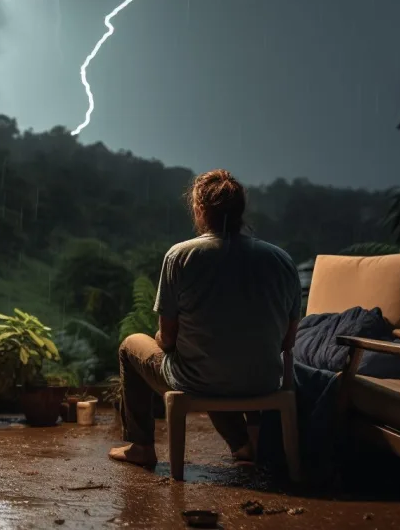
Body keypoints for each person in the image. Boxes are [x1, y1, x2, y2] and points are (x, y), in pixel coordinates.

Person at [108, 169, 302, 468]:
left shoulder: (181, 256)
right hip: (264, 380)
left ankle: (140, 445)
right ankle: (244, 445)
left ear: (199, 209)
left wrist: (163, 340)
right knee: (216, 358)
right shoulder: (280, 260)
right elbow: (288, 341)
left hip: (200, 378)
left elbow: (169, 340)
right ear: (240, 210)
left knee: (133, 345)